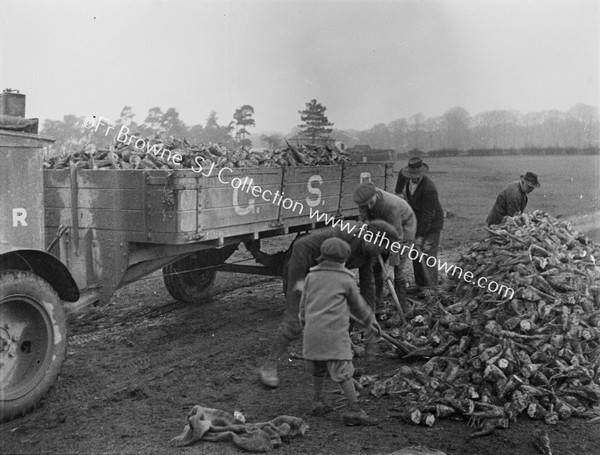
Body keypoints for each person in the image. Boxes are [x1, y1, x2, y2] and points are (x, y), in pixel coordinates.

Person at [259, 219, 400, 388]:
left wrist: (371, 319)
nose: (383, 251)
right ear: (372, 238)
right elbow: (301, 245)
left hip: (326, 275)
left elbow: (367, 283)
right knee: (294, 322)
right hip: (302, 266)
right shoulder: (344, 235)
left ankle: (332, 365)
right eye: (383, 246)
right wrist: (299, 281)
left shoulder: (369, 252)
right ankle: (269, 366)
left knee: (344, 318)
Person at [299, 237, 382, 426]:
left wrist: (306, 326)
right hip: (334, 335)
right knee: (343, 371)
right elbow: (358, 305)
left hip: (312, 333)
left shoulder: (311, 277)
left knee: (319, 368)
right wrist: (370, 320)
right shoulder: (346, 279)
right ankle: (354, 410)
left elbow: (303, 307)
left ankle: (317, 402)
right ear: (344, 260)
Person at [353, 181, 416, 311]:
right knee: (375, 265)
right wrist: (367, 224)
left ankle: (403, 306)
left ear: (376, 193)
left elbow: (397, 238)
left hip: (403, 228)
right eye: (366, 204)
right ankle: (378, 302)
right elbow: (365, 217)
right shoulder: (363, 201)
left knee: (398, 268)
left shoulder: (390, 205)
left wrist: (391, 267)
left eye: (371, 202)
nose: (369, 206)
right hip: (382, 227)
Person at [399, 156, 444, 290]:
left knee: (427, 253)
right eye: (412, 175)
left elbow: (428, 215)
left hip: (431, 224)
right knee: (415, 254)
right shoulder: (408, 184)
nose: (415, 178)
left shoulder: (429, 188)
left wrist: (420, 236)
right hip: (417, 224)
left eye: (417, 175)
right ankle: (420, 284)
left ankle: (431, 287)